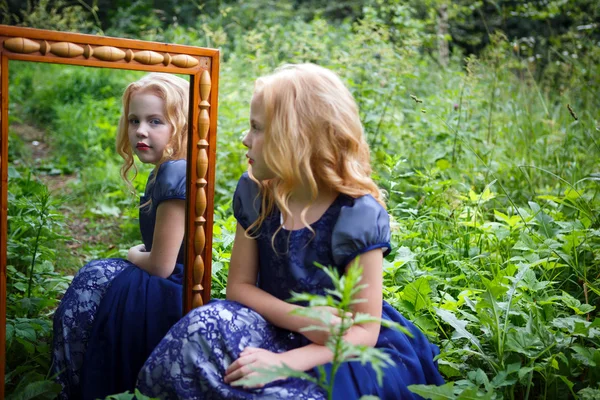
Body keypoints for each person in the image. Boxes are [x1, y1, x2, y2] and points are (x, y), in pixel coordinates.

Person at [137, 64, 444, 399]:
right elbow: (239, 288)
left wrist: (285, 362)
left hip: (341, 348)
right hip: (278, 319)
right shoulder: (256, 192)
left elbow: (364, 331)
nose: (244, 139)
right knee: (202, 326)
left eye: (256, 128)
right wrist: (303, 317)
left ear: (295, 137)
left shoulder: (356, 215)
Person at [52, 72, 189, 399]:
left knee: (94, 280)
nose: (140, 130)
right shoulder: (165, 169)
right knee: (93, 277)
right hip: (165, 281)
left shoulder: (176, 171)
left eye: (155, 121)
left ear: (181, 125)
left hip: (169, 290)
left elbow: (161, 266)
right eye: (134, 120)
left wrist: (131, 253)